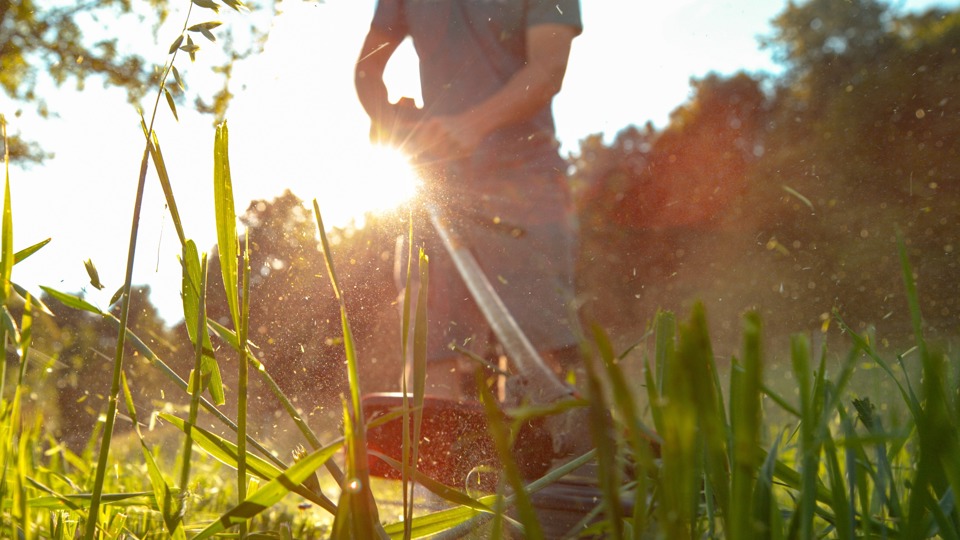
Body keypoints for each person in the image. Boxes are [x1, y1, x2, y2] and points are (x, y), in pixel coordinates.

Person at [355, 0, 583, 402]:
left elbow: (548, 69)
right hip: (437, 173)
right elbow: (367, 68)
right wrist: (386, 118)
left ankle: (544, 443)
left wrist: (473, 124)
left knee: (537, 327)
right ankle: (434, 447)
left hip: (524, 174)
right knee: (431, 326)